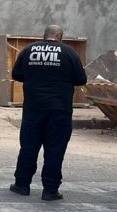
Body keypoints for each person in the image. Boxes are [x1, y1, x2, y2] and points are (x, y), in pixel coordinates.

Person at [9, 25, 87, 201]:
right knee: (55, 149)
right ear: (60, 37)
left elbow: (17, 75)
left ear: (44, 35)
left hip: (33, 109)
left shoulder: (28, 50)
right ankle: (50, 190)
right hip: (60, 110)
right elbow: (81, 79)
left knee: (28, 147)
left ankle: (22, 185)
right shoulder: (69, 53)